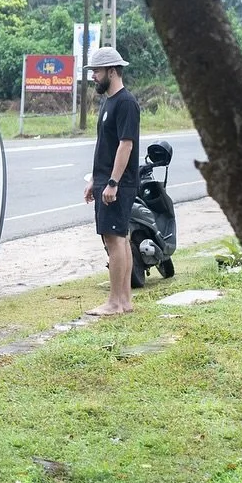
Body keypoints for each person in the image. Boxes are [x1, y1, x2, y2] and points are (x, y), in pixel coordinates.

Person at [82, 46, 140, 317]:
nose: (93, 76)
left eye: (97, 71)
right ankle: (125, 301)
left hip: (118, 182)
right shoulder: (108, 102)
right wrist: (94, 179)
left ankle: (114, 302)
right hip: (105, 179)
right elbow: (105, 146)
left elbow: (125, 145)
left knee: (114, 240)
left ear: (112, 71)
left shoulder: (126, 103)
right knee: (120, 238)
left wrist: (113, 182)